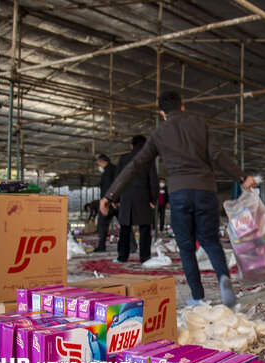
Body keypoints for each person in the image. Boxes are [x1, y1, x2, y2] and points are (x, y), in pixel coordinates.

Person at [100, 91, 257, 308]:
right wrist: (242, 177)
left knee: (185, 246)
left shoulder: (159, 133)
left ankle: (197, 296)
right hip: (205, 190)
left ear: (162, 113)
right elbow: (217, 155)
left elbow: (136, 165)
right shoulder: (200, 124)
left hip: (179, 192)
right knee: (210, 240)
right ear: (182, 107)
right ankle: (223, 278)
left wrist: (111, 194)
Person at [114, 135, 158, 263]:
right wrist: (153, 199)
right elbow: (153, 181)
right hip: (143, 198)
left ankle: (122, 256)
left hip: (126, 197)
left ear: (131, 146)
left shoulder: (123, 159)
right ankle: (144, 257)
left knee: (125, 228)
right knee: (144, 228)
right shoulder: (148, 159)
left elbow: (118, 179)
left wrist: (115, 198)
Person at [94, 154, 117, 252]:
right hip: (117, 201)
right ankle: (132, 246)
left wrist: (106, 200)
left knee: (102, 223)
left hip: (108, 202)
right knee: (125, 224)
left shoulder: (107, 172)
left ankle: (101, 246)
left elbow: (107, 187)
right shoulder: (116, 169)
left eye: (98, 163)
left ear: (102, 162)